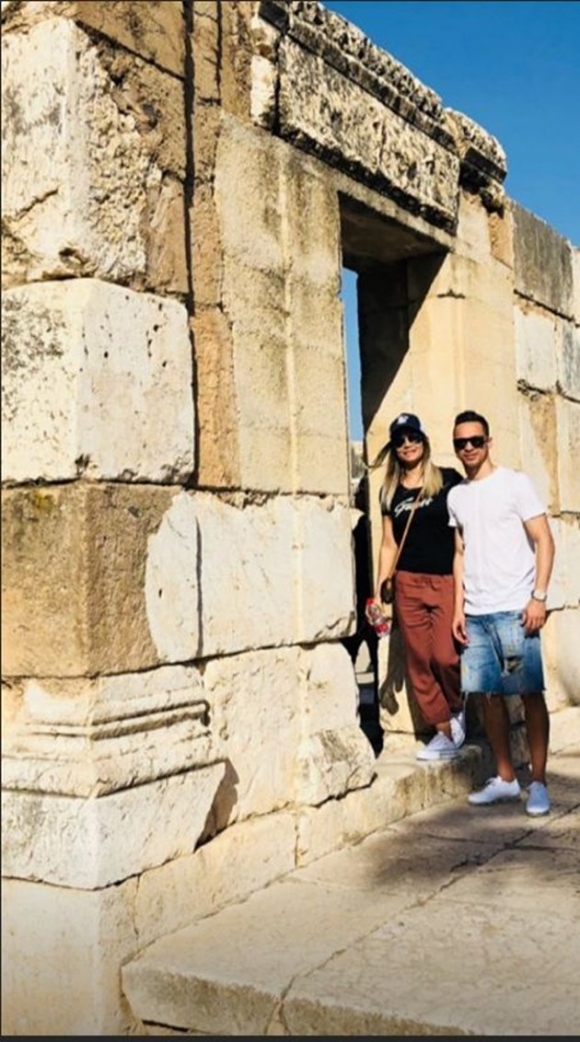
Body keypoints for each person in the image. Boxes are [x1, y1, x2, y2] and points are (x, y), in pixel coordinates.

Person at [448, 409, 555, 816]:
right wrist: (458, 608)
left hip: (514, 609)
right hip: (476, 614)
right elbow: (460, 553)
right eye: (461, 443)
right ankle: (506, 778)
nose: (469, 448)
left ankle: (538, 782)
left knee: (528, 694)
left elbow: (544, 539)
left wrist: (538, 597)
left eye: (476, 440)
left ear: (488, 442)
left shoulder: (514, 484)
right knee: (488, 696)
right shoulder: (457, 496)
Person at [367, 412, 465, 760]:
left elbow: (464, 532)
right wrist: (380, 591)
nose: (407, 445)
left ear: (423, 441)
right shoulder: (389, 491)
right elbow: (388, 543)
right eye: (400, 441)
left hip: (444, 579)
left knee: (445, 654)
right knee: (418, 661)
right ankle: (443, 730)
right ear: (394, 448)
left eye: (413, 438)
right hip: (407, 582)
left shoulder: (449, 480)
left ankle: (457, 707)